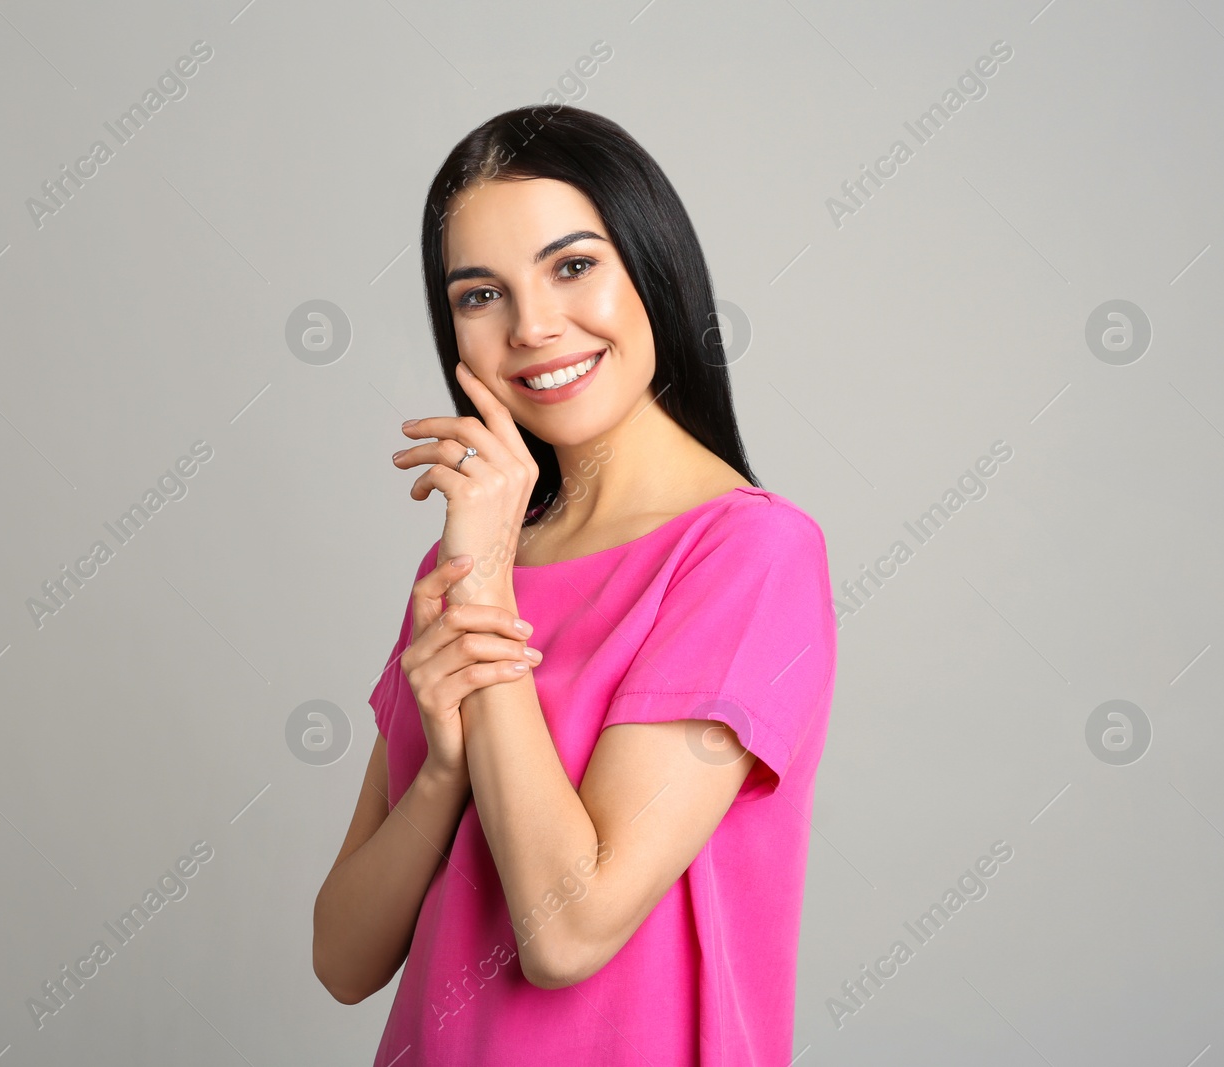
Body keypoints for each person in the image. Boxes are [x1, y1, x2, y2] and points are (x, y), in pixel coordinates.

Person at [312, 104, 838, 1066]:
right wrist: (438, 772)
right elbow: (344, 958)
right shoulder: (462, 564)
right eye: (481, 295)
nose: (534, 327)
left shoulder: (749, 556)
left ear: (653, 268)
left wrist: (488, 600)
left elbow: (565, 932)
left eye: (573, 265)